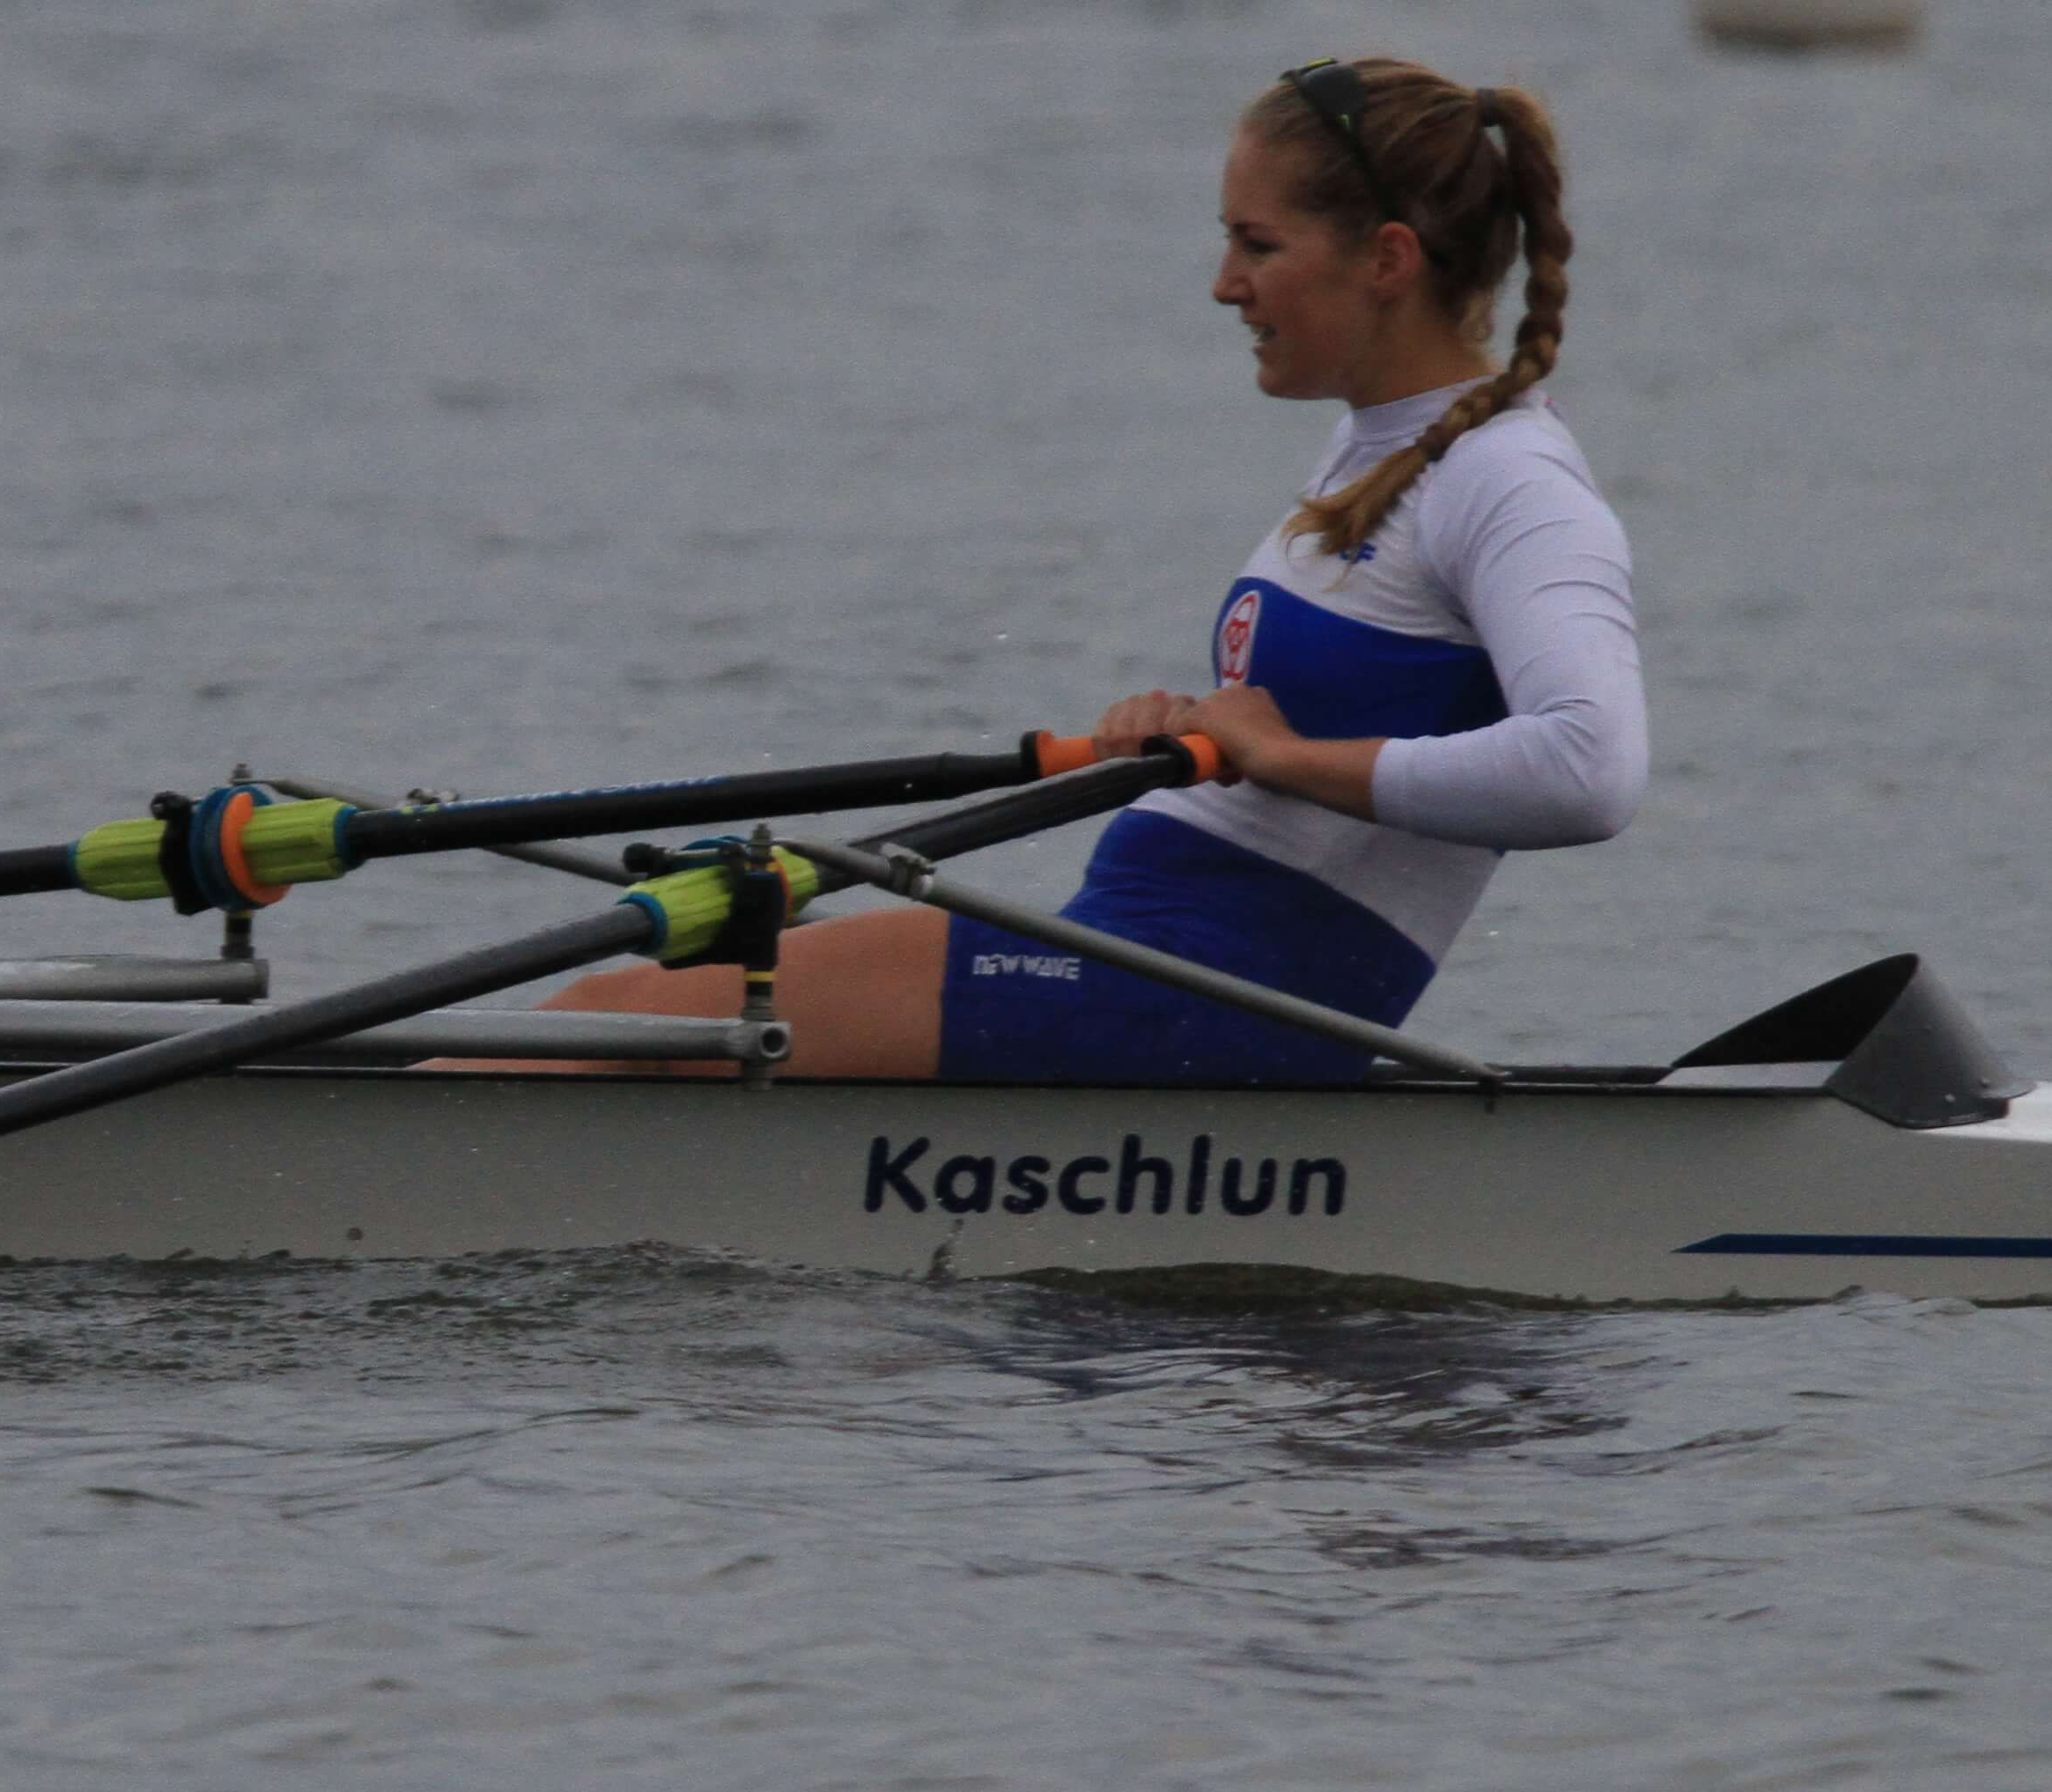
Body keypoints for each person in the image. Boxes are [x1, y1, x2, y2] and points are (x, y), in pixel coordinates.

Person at [557, 55, 1640, 1079]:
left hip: (1210, 1000)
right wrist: (1188, 734)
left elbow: (1589, 771)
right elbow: (1303, 728)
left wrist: (1275, 756)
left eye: (1257, 247)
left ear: (1389, 261)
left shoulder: (1515, 487)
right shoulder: (1389, 447)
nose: (1225, 286)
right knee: (652, 1001)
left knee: (598, 1030)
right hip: (1143, 970)